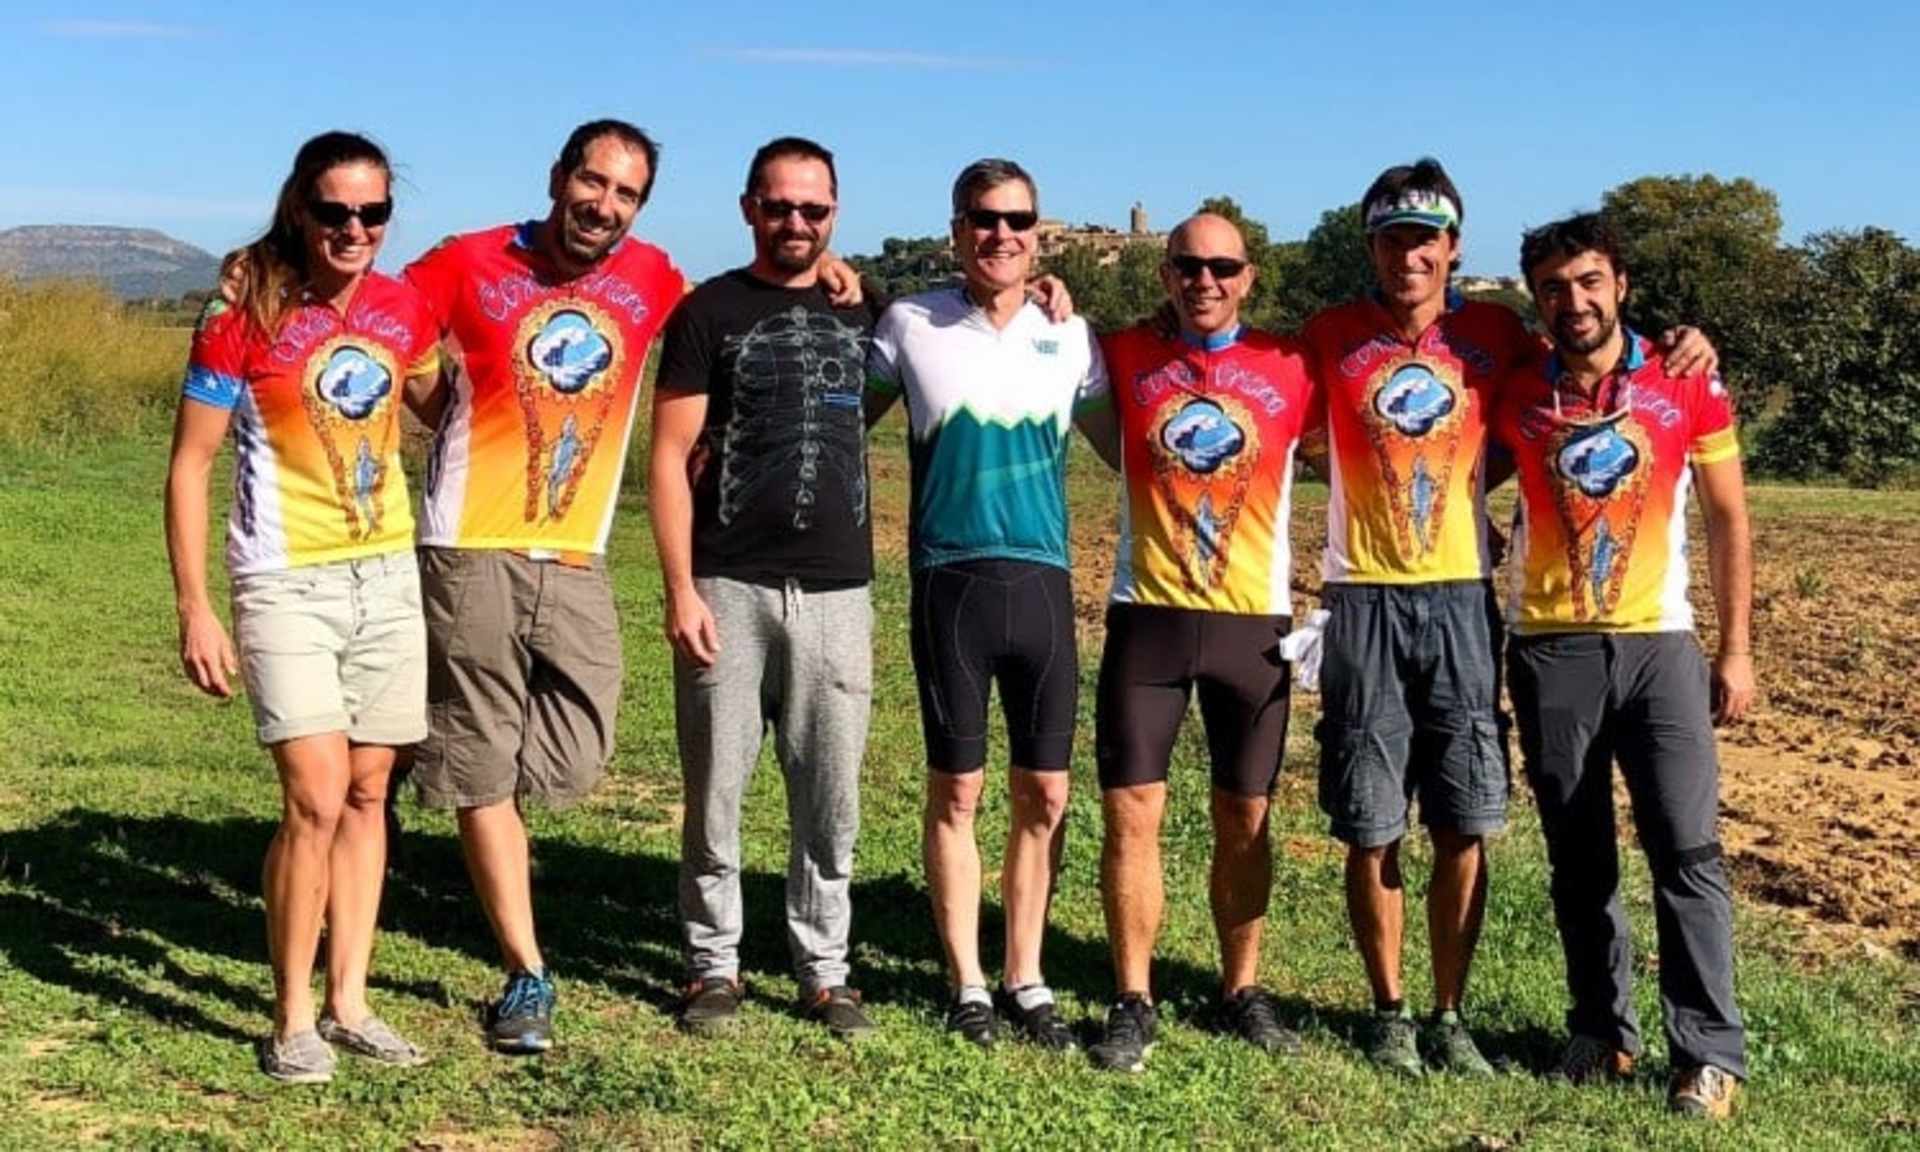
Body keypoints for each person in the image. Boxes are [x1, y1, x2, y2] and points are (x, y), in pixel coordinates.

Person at [1297, 157, 1720, 1077]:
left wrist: (1684, 343)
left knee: (1466, 816)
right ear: (1371, 246)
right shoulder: (1329, 334)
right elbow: (1236, 372)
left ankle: (1449, 1015)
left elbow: (1599, 360)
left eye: (1427, 238)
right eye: (1392, 238)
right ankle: (1391, 1011)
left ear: (1453, 247)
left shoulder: (1495, 334)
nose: (1410, 255)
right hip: (1362, 595)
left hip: (1463, 600)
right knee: (1373, 820)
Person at [400, 120, 687, 1054]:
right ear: (559, 176)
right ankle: (527, 971)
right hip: (467, 547)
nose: (603, 205)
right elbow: (381, 322)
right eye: (592, 182)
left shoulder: (651, 278)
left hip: (575, 555)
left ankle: (426, 757)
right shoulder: (467, 260)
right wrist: (428, 395)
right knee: (485, 759)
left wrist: (841, 280)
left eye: (625, 194)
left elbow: (735, 314)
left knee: (573, 751)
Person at [166, 131, 437, 1083]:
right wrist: (196, 606)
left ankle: (350, 1001)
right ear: (299, 209)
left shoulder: (404, 308)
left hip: (387, 578)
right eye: (334, 212)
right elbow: (191, 462)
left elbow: (440, 398)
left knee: (369, 795)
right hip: (284, 580)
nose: (354, 229)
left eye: (373, 213)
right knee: (314, 797)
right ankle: (291, 1018)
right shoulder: (245, 308)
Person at [1496, 212, 1751, 1119]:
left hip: (1660, 646)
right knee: (1579, 857)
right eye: (1556, 288)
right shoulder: (1515, 391)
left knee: (1686, 849)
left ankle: (1708, 1054)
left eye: (1590, 282)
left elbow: (1728, 518)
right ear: (1538, 302)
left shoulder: (1686, 380)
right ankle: (1602, 1032)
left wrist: (1737, 649)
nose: (1576, 302)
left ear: (1620, 286)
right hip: (1551, 647)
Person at [864, 158, 1117, 1050]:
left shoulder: (1073, 335)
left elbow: (1129, 450)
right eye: (982, 218)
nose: (998, 234)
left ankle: (1027, 975)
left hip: (1044, 583)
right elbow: (835, 415)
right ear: (956, 229)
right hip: (950, 581)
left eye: (1016, 220)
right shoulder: (907, 325)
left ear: (1038, 234)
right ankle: (968, 983)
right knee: (959, 789)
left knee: (1045, 792)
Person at [649, 137, 880, 1040]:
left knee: (831, 792)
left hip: (836, 592)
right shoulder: (709, 311)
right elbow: (668, 453)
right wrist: (679, 587)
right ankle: (714, 964)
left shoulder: (868, 311)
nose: (796, 223)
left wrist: (1052, 294)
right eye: (779, 206)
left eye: (813, 209)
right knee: (716, 786)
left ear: (835, 212)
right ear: (749, 206)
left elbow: (956, 329)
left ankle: (825, 968)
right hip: (727, 582)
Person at [1086, 214, 1317, 1072]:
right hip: (1146, 613)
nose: (1205, 281)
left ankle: (1241, 989)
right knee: (1131, 815)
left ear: (1249, 277)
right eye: (1189, 265)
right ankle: (1132, 996)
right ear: (1166, 274)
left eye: (1223, 267)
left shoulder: (1295, 367)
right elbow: (1037, 340)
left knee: (1245, 817)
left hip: (1252, 624)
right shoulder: (1118, 353)